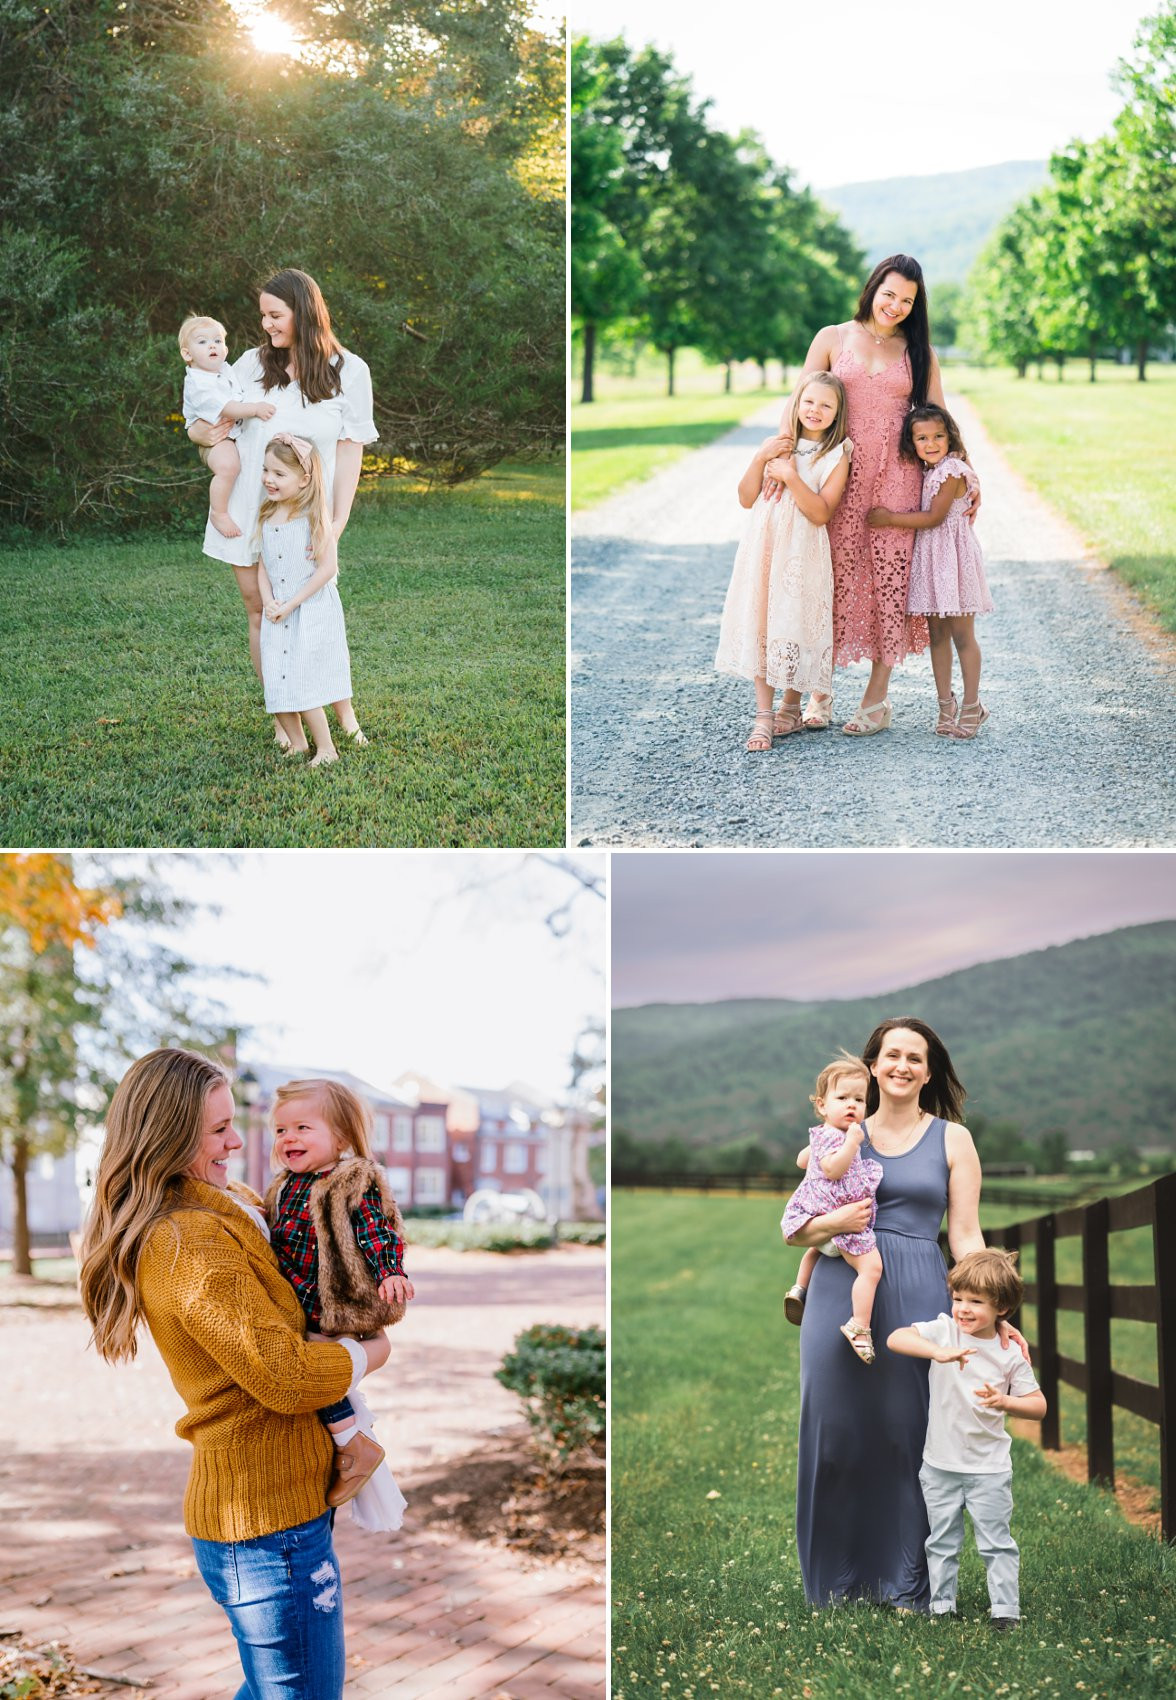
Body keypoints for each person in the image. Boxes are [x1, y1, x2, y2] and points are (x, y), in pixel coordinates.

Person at [78, 1048, 391, 1700]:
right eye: (217, 1129)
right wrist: (372, 1353)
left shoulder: (233, 1203)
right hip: (264, 1528)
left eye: (233, 1122)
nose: (237, 1141)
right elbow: (284, 1376)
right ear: (168, 1136)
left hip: (282, 1510)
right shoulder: (186, 1240)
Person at [784, 1017, 1027, 1610]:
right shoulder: (837, 1128)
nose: (901, 1065)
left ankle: (905, 1582)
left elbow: (966, 1234)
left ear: (929, 1070)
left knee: (909, 1434)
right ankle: (835, 1582)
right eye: (891, 1054)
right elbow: (798, 1224)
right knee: (835, 1433)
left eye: (914, 1057)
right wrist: (832, 1226)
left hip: (920, 1289)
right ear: (871, 1065)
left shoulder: (952, 1139)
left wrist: (988, 1307)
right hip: (844, 1286)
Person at [765, 255, 980, 736]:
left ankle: (876, 700)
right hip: (833, 473)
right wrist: (781, 461)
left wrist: (967, 472)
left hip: (897, 481)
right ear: (872, 288)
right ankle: (806, 695)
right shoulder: (833, 337)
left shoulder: (918, 350)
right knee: (824, 579)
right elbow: (797, 402)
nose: (896, 306)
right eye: (890, 294)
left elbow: (939, 416)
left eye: (908, 300)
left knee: (889, 585)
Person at [188, 269, 377, 741]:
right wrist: (198, 435)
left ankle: (345, 715)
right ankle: (284, 719)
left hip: (304, 516)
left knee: (317, 611)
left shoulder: (348, 370)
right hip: (246, 510)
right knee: (261, 611)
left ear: (305, 312)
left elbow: (352, 447)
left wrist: (338, 519)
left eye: (276, 315)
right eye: (263, 316)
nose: (268, 325)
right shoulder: (250, 364)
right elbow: (204, 415)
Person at [264, 1077, 414, 1509]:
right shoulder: (283, 1183)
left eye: (303, 1128)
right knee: (313, 1366)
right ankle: (346, 1443)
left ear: (341, 1137)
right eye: (280, 1130)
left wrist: (390, 1272)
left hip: (334, 1298)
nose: (288, 1138)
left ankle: (350, 1441)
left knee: (316, 1362)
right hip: (298, 1293)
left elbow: (377, 1229)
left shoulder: (353, 1180)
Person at [888, 1247, 1046, 1625]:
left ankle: (1005, 1611)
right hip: (940, 1464)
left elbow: (1038, 1405)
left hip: (988, 1468)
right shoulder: (945, 1331)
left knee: (996, 1542)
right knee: (941, 1541)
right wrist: (936, 1352)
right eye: (958, 1298)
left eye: (976, 1301)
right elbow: (896, 1338)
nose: (963, 1308)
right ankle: (942, 1606)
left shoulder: (1009, 1354)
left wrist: (1005, 1401)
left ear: (1002, 1309)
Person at [715, 375, 852, 749]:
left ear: (838, 413)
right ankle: (763, 716)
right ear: (796, 404)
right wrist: (761, 457)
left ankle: (790, 707)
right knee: (763, 620)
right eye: (809, 402)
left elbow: (821, 512)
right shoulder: (775, 446)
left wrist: (791, 476)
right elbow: (746, 498)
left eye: (827, 405)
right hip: (766, 545)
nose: (816, 411)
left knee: (792, 622)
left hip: (802, 551)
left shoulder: (837, 453)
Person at [868, 404, 993, 739]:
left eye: (938, 435)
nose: (931, 442)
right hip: (933, 560)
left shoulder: (952, 470)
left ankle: (972, 705)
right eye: (922, 438)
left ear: (949, 436)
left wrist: (889, 518)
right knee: (937, 636)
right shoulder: (926, 470)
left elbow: (935, 518)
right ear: (913, 443)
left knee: (963, 636)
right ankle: (945, 705)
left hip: (954, 560)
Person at [256, 434, 366, 766]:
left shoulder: (314, 519)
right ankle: (298, 743)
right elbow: (264, 565)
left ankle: (327, 749)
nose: (268, 479)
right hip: (276, 613)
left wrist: (292, 603)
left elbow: (326, 569)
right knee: (277, 680)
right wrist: (268, 601)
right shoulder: (267, 516)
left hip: (309, 610)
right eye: (266, 470)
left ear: (304, 480)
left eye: (278, 474)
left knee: (303, 680)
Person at [780, 1056, 883, 1362]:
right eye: (842, 1098)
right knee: (871, 1268)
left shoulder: (823, 1135)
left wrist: (818, 1152)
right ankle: (859, 1325)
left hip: (819, 1217)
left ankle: (799, 1288)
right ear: (822, 1105)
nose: (852, 1105)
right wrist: (851, 1144)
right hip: (841, 1218)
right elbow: (833, 1169)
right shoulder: (837, 1138)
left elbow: (802, 1160)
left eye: (859, 1099)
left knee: (814, 1249)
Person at [178, 316, 276, 539]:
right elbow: (227, 408)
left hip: (230, 435)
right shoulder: (198, 382)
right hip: (217, 439)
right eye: (202, 342)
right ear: (187, 354)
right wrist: (255, 409)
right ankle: (219, 513)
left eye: (218, 341)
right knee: (228, 467)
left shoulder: (225, 369)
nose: (212, 346)